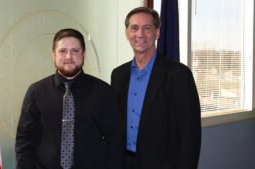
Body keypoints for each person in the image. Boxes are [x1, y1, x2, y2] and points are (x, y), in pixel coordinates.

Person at [16, 28, 123, 169]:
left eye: (75, 50)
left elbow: (115, 141)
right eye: (62, 51)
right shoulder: (36, 92)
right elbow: (25, 141)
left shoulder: (103, 91)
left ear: (84, 54)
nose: (68, 56)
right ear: (53, 55)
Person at [111, 7, 201, 169]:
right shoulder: (118, 75)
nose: (140, 34)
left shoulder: (178, 74)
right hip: (123, 163)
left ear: (157, 33)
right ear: (127, 33)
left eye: (147, 28)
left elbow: (190, 133)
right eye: (134, 28)